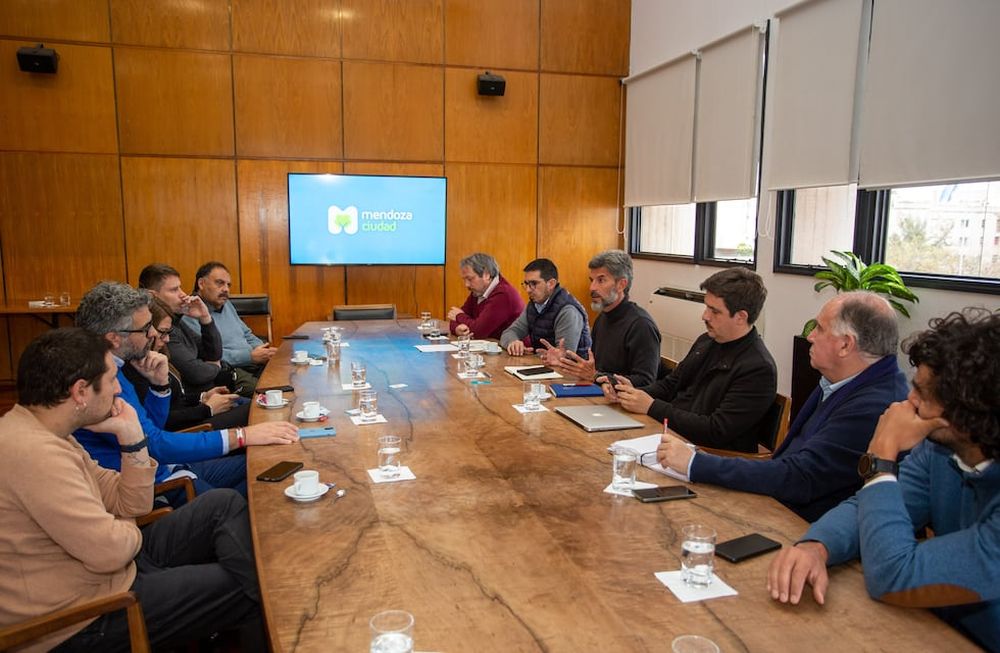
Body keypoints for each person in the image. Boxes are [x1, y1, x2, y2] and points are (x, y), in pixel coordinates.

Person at [0, 328, 263, 652]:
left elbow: (129, 503)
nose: (118, 391)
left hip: (111, 570)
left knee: (221, 503)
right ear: (81, 391)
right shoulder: (34, 455)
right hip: (84, 615)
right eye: (112, 381)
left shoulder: (51, 432)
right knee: (249, 586)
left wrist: (133, 441)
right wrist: (119, 521)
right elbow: (111, 548)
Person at [767, 308, 1000, 651]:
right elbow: (869, 505)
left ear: (964, 420)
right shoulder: (940, 452)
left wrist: (881, 455)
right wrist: (818, 545)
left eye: (921, 394)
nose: (907, 402)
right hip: (928, 626)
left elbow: (894, 575)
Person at [657, 291, 907, 520]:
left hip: (803, 526)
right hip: (778, 500)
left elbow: (801, 476)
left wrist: (696, 463)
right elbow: (786, 460)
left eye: (819, 329)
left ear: (846, 345)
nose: (810, 336)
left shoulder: (875, 405)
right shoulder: (839, 381)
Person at [73, 281, 298, 497]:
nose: (152, 335)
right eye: (144, 329)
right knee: (235, 504)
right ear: (114, 338)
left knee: (269, 466)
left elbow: (151, 428)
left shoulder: (115, 367)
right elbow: (153, 445)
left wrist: (159, 386)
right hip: (158, 487)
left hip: (169, 467)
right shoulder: (98, 382)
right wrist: (241, 436)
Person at [602, 267, 775, 452]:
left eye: (714, 311)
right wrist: (628, 393)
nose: (704, 316)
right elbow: (670, 385)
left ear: (741, 317)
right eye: (706, 306)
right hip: (675, 438)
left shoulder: (757, 368)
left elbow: (716, 430)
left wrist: (651, 407)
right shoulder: (707, 341)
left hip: (709, 457)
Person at [126, 295, 248, 431]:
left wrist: (202, 397)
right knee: (252, 410)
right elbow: (159, 420)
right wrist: (207, 409)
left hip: (195, 413)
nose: (166, 339)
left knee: (249, 403)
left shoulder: (159, 352)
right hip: (188, 429)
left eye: (168, 332)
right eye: (163, 332)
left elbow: (176, 400)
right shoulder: (137, 366)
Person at [544, 249, 660, 386]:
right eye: (592, 280)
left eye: (601, 280)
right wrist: (564, 362)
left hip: (623, 403)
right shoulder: (602, 318)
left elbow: (645, 382)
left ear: (621, 285)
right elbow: (594, 368)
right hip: (598, 393)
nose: (592, 288)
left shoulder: (641, 325)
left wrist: (596, 376)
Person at [184, 261, 276, 395]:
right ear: (201, 284)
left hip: (253, 362)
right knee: (268, 394)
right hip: (228, 370)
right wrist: (249, 357)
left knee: (288, 375)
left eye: (228, 285)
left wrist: (262, 350)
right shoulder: (190, 313)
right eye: (220, 283)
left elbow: (247, 334)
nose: (226, 289)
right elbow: (207, 355)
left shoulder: (226, 304)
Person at [138, 263, 227, 394]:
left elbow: (212, 353)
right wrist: (216, 366)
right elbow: (196, 373)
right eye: (174, 290)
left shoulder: (176, 322)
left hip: (205, 396)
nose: (183, 294)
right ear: (152, 295)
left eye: (180, 288)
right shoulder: (158, 331)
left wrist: (205, 318)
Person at [499, 258, 592, 357]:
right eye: (526, 284)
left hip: (570, 371)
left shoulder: (567, 310)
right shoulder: (534, 305)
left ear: (551, 284)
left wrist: (534, 357)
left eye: (533, 284)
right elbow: (509, 332)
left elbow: (565, 356)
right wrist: (513, 343)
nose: (528, 290)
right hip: (543, 366)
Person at [446, 252, 524, 339]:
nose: (466, 285)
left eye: (470, 279)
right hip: (491, 346)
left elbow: (478, 331)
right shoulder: (478, 291)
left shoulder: (503, 294)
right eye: (464, 280)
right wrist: (457, 328)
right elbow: (453, 320)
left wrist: (459, 316)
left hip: (515, 350)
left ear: (486, 275)